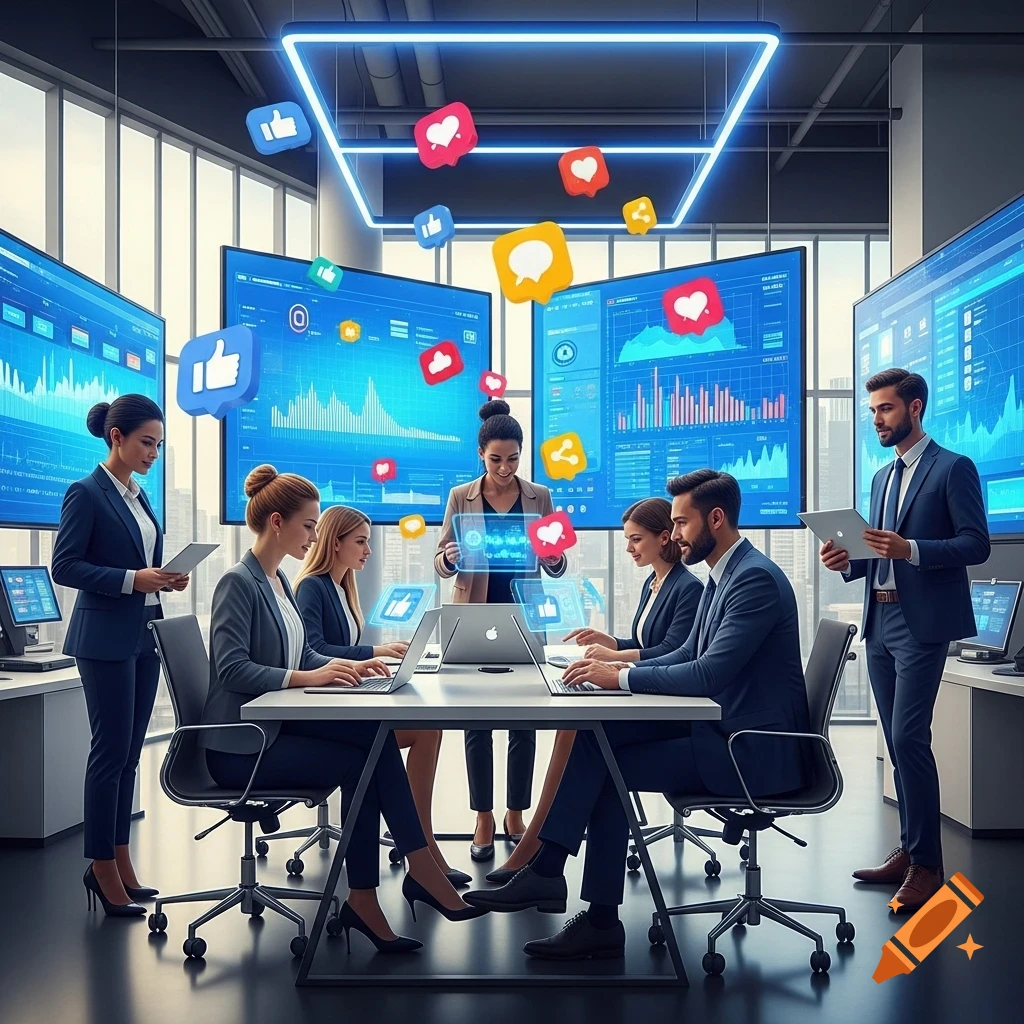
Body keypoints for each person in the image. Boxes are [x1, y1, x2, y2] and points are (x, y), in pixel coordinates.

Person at [464, 470, 811, 962]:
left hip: (748, 749)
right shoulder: (727, 571)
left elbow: (708, 673)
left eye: (681, 523)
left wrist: (619, 678)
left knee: (606, 757)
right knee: (599, 737)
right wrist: (614, 667)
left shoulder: (751, 579)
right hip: (721, 730)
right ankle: (557, 881)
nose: (675, 535)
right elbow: (686, 651)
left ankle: (577, 899)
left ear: (715, 519)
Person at [202, 465, 484, 952]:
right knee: (367, 753)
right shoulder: (239, 582)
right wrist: (309, 676)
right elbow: (231, 670)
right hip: (241, 747)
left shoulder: (278, 584)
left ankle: (380, 888)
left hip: (276, 731)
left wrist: (340, 666)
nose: (314, 536)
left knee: (372, 736)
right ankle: (399, 877)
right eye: (309, 525)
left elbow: (304, 653)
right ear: (276, 522)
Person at [820, 368, 989, 912]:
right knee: (897, 744)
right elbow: (876, 551)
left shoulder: (953, 468)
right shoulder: (880, 476)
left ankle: (928, 867)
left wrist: (910, 549)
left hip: (921, 625)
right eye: (872, 411)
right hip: (879, 620)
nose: (876, 420)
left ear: (915, 408)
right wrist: (847, 561)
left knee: (910, 738)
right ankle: (910, 849)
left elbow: (975, 544)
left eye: (886, 409)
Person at [485, 497, 704, 883]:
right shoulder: (654, 583)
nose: (629, 548)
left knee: (587, 732)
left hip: (664, 703)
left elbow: (675, 651)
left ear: (663, 537)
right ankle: (538, 851)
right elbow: (652, 641)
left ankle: (537, 850)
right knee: (577, 725)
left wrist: (617, 659)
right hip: (646, 692)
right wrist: (613, 643)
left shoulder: (688, 588)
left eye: (636, 539)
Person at [52, 395, 189, 917]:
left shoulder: (137, 496)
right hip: (103, 639)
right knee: (108, 753)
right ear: (116, 437)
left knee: (130, 753)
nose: (153, 453)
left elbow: (139, 562)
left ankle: (121, 858)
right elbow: (65, 566)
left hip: (143, 634)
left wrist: (161, 580)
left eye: (158, 444)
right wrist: (134, 580)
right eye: (146, 443)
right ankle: (100, 866)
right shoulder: (85, 493)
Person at [295, 504, 471, 886]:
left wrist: (378, 658)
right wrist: (374, 653)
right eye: (360, 542)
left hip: (344, 695)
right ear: (334, 542)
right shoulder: (313, 586)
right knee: (423, 731)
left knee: (429, 729)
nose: (368, 551)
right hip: (325, 709)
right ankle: (422, 850)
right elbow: (314, 649)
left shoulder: (342, 587)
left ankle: (423, 845)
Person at [435, 399, 566, 861]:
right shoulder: (460, 496)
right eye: (496, 459)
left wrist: (554, 558)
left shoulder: (540, 496)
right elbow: (441, 558)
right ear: (481, 454)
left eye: (513, 458)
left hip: (524, 615)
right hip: (474, 612)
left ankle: (515, 812)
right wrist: (447, 558)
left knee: (524, 722)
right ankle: (483, 817)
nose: (505, 468)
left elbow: (555, 561)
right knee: (477, 724)